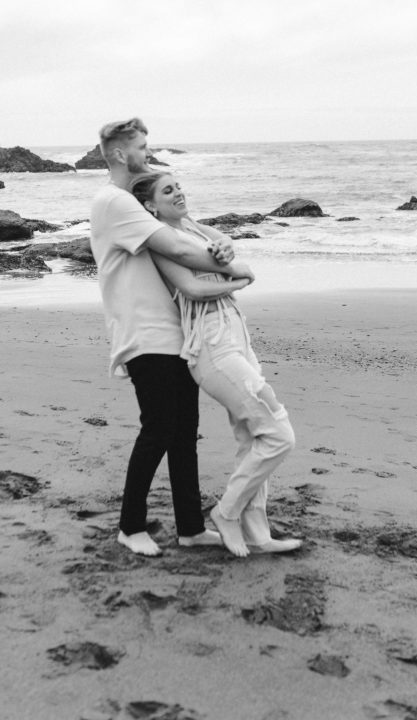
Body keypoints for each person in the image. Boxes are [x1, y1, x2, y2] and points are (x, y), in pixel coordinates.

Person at [89, 117, 255, 557]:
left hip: (173, 333)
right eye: (142, 146)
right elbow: (181, 249)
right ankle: (130, 526)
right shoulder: (113, 202)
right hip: (144, 335)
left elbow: (186, 243)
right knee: (159, 428)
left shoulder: (130, 206)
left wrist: (221, 247)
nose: (148, 152)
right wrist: (235, 268)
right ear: (122, 154)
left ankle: (189, 527)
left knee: (184, 433)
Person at [130, 170, 301, 557]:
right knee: (277, 433)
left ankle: (258, 532)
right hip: (210, 343)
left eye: (179, 186)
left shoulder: (190, 226)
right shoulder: (160, 241)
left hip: (236, 334)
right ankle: (227, 512)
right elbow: (191, 288)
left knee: (250, 435)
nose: (178, 193)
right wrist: (236, 280)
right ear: (150, 205)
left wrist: (224, 247)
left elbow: (220, 242)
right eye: (168, 190)